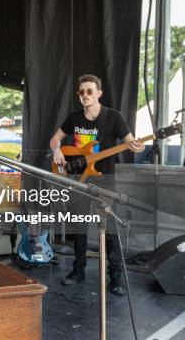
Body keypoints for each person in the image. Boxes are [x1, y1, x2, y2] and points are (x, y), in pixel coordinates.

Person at [49, 74, 144, 296]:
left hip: (104, 180)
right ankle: (78, 270)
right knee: (79, 227)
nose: (85, 95)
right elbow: (55, 139)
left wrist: (135, 146)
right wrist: (56, 150)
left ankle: (117, 276)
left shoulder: (114, 118)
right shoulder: (74, 119)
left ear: (99, 93)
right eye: (81, 92)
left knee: (109, 228)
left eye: (89, 91)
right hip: (78, 178)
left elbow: (130, 141)